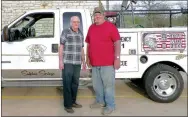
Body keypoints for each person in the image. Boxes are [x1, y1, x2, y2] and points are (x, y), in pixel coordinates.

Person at [85, 7, 121, 115]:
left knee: (108, 86)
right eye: (95, 15)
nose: (97, 16)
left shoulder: (111, 27)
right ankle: (100, 102)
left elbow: (117, 43)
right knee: (97, 86)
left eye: (99, 14)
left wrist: (117, 59)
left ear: (103, 15)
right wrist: (88, 58)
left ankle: (110, 105)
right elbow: (89, 44)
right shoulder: (91, 28)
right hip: (95, 64)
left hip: (107, 63)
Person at [59, 16, 86, 113]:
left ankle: (73, 101)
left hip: (77, 63)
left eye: (78, 22)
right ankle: (67, 105)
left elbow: (82, 48)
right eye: (74, 22)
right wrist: (60, 61)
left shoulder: (80, 33)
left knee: (75, 83)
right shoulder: (65, 32)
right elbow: (61, 47)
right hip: (68, 62)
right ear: (71, 23)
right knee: (67, 83)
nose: (76, 24)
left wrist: (84, 61)